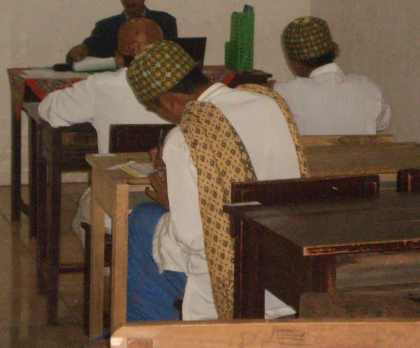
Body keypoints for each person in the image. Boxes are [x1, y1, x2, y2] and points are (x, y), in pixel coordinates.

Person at [124, 41, 310, 322]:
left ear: (169, 100)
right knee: (151, 256)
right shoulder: (268, 102)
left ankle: (144, 336)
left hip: (230, 278)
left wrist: (171, 204)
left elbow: (195, 238)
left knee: (141, 220)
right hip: (286, 266)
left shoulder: (185, 135)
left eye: (160, 110)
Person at [39, 18, 168, 240]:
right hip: (171, 199)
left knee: (83, 214)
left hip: (117, 205)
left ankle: (107, 266)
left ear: (118, 58)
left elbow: (48, 109)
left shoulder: (100, 85)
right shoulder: (185, 88)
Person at [274, 16, 390, 135]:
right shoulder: (367, 87)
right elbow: (382, 122)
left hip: (310, 154)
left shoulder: (284, 93)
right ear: (336, 50)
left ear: (295, 64)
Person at [66, 0, 177, 62]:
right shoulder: (105, 27)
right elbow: (83, 51)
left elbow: (172, 58)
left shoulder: (164, 22)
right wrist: (77, 52)